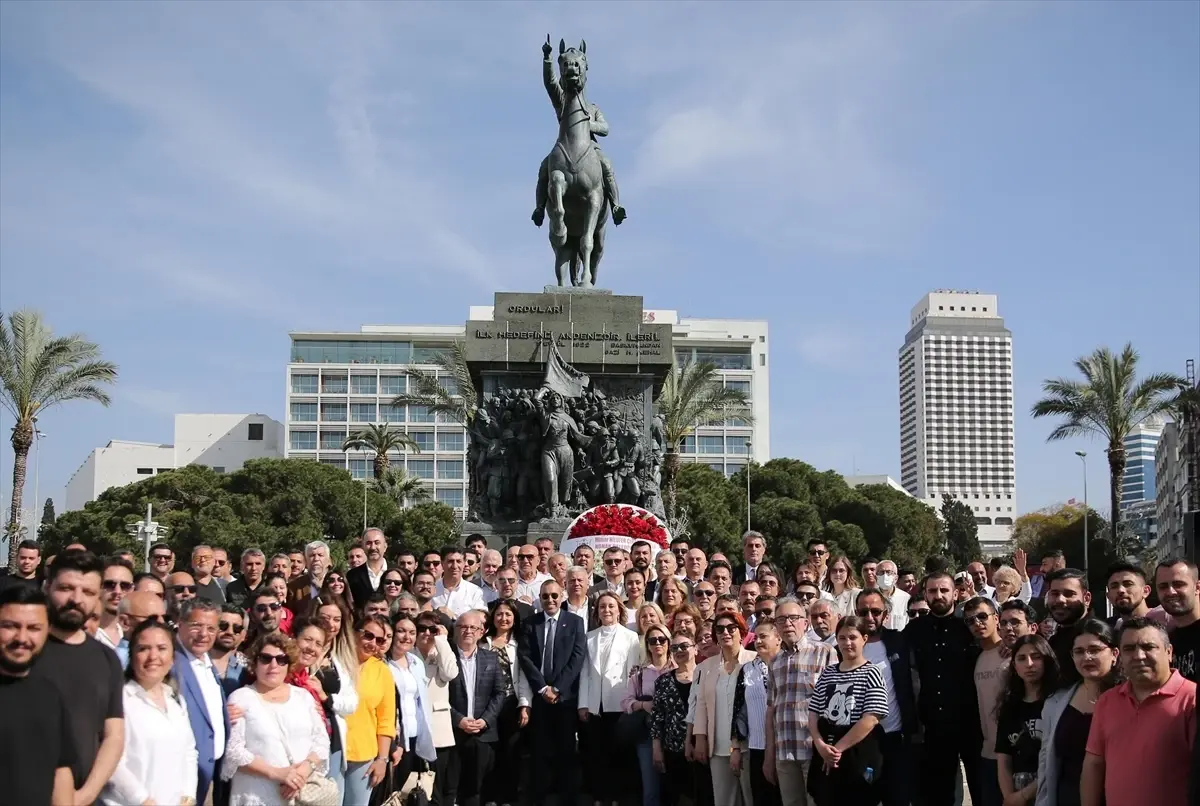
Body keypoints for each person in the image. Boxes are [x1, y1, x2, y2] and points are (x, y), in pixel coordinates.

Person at [30, 549, 125, 806]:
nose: (76, 599)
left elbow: (113, 736)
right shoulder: (23, 651)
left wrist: (84, 796)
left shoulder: (107, 659)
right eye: (66, 588)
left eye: (88, 592)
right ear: (47, 586)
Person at [1082, 617, 1197, 806]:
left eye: (1148, 647)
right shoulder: (1107, 701)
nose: (1138, 656)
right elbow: (1093, 765)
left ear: (1169, 653)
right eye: (1129, 649)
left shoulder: (1191, 699)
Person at [222, 633, 330, 805]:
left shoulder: (304, 697)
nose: (273, 665)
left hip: (299, 794)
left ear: (289, 664)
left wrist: (302, 772)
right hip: (256, 796)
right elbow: (234, 751)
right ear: (254, 663)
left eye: (281, 660)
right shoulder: (240, 698)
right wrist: (277, 773)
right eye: (266, 658)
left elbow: (321, 741)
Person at [102, 619, 199, 806]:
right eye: (143, 648)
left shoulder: (176, 701)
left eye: (161, 648)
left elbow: (189, 752)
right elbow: (111, 761)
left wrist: (188, 796)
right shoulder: (120, 700)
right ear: (132, 656)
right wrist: (142, 800)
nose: (153, 656)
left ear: (172, 658)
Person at [907, 570, 982, 806]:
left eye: (944, 590)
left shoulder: (969, 629)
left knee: (982, 791)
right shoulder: (914, 631)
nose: (938, 595)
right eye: (932, 591)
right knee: (940, 795)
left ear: (956, 594)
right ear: (925, 594)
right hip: (934, 726)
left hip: (972, 724)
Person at [0, 585, 76, 806]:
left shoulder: (50, 694)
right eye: (10, 626)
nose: (22, 637)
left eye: (33, 628)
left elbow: (61, 769)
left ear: (47, 631)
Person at [1034, 618, 1120, 806]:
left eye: (1095, 650)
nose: (1086, 657)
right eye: (1079, 652)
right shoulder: (1055, 703)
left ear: (1114, 654)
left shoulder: (1130, 700)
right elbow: (1046, 762)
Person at [519, 579, 588, 806]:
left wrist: (557, 688)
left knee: (567, 751)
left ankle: (568, 798)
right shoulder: (531, 623)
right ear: (540, 597)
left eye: (554, 596)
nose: (550, 600)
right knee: (539, 751)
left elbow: (577, 658)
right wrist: (542, 688)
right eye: (545, 596)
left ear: (562, 596)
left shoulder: (575, 622)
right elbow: (526, 657)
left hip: (565, 698)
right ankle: (538, 797)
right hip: (540, 698)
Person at [808, 616, 890, 806]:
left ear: (864, 638)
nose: (847, 643)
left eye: (853, 637)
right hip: (826, 745)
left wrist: (838, 750)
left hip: (857, 748)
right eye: (842, 638)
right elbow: (813, 713)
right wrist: (820, 745)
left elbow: (871, 718)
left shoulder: (872, 672)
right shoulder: (828, 673)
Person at [764, 596, 837, 806]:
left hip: (814, 750)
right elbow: (771, 710)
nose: (787, 623)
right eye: (781, 619)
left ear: (805, 622)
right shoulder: (775, 662)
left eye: (793, 618)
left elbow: (835, 705)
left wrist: (829, 746)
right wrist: (770, 754)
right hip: (784, 750)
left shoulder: (824, 652)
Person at [579, 591, 642, 806]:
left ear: (619, 610)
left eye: (611, 606)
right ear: (597, 612)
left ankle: (617, 797)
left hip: (619, 702)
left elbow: (632, 673)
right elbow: (585, 672)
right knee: (598, 753)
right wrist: (583, 703)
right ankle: (600, 796)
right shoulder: (590, 637)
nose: (607, 610)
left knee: (618, 752)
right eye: (602, 607)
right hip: (596, 703)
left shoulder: (630, 636)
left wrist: (629, 702)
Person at [856, 588, 917, 806]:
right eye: (863, 612)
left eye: (875, 611)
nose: (870, 617)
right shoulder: (845, 646)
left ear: (886, 614)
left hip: (895, 737)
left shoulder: (899, 640)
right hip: (860, 740)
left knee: (898, 798)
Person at [693, 611, 756, 806]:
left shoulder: (755, 660)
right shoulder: (705, 667)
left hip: (750, 744)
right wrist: (700, 738)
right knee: (724, 801)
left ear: (742, 631)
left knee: (752, 798)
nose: (725, 633)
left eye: (731, 628)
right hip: (718, 745)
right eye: (719, 629)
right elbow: (701, 704)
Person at [291, 619, 358, 800]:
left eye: (318, 643)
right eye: (307, 639)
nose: (312, 647)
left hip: (311, 765)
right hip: (287, 770)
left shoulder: (309, 681)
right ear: (293, 639)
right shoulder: (280, 677)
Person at [446, 609, 508, 806]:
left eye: (473, 627)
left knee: (475, 791)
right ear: (455, 630)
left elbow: (500, 692)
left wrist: (485, 720)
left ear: (482, 632)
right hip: (453, 733)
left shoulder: (490, 658)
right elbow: (437, 697)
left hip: (483, 734)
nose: (468, 631)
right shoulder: (446, 657)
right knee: (450, 789)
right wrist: (459, 720)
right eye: (463, 626)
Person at [174, 598, 230, 804]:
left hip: (210, 774)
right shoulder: (169, 664)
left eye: (211, 628)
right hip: (181, 779)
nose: (204, 634)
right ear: (180, 624)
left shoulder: (206, 661)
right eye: (196, 626)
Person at [994, 635, 1059, 806]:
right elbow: (1003, 759)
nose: (1029, 664)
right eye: (1021, 658)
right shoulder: (1009, 706)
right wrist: (1010, 797)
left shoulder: (1059, 703)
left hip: (1052, 789)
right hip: (1017, 791)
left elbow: (1058, 760)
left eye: (1036, 657)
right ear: (1014, 666)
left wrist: (1024, 795)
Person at [482, 599, 532, 806]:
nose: (503, 618)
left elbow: (524, 676)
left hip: (511, 704)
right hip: (486, 706)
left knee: (511, 753)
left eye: (508, 614)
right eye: (499, 614)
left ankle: (509, 798)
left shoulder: (520, 643)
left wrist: (524, 705)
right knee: (490, 753)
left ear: (514, 618)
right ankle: (490, 797)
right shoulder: (483, 642)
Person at [344, 614, 397, 806]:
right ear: (354, 633)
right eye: (368, 635)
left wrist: (382, 759)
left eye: (380, 640)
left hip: (362, 755)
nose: (373, 643)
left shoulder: (382, 671)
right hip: (332, 751)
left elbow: (386, 720)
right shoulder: (336, 661)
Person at [385, 615, 438, 802]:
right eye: (401, 631)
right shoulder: (383, 664)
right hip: (394, 739)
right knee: (389, 794)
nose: (407, 637)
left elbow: (420, 702)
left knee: (409, 795)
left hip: (416, 737)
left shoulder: (416, 662)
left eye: (412, 632)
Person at [733, 619, 783, 806]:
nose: (758, 641)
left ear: (778, 638)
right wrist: (736, 747)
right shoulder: (747, 669)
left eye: (764, 636)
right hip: (757, 747)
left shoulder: (787, 665)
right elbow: (738, 712)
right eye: (756, 638)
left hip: (785, 746)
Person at [625, 622, 674, 806]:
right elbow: (626, 702)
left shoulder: (679, 669)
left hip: (674, 734)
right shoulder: (639, 673)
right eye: (653, 640)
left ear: (669, 642)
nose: (658, 644)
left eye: (662, 639)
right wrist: (643, 704)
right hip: (647, 735)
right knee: (651, 789)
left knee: (674, 787)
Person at [965, 596, 1008, 806]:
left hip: (1014, 753)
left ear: (996, 618)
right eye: (970, 620)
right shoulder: (977, 658)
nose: (977, 623)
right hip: (987, 753)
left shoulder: (1013, 652)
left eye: (982, 616)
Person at [415, 609, 460, 806]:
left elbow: (450, 673)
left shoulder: (442, 650)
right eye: (421, 628)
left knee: (438, 786)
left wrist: (442, 640)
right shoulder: (408, 654)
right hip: (414, 727)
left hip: (438, 728)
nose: (426, 633)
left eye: (431, 629)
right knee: (414, 784)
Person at [651, 630, 699, 804]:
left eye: (684, 646)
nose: (679, 650)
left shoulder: (706, 676)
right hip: (672, 749)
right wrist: (656, 749)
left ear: (696, 649)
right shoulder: (663, 681)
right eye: (675, 647)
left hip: (702, 747)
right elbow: (657, 717)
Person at [1157, 559, 1200, 683]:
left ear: (1197, 587)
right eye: (1163, 586)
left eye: (1178, 584)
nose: (1170, 592)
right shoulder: (1166, 640)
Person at [433, 546, 487, 618]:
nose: (455, 566)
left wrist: (454, 617)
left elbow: (481, 620)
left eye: (458, 561)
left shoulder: (475, 592)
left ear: (464, 563)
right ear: (442, 563)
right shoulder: (431, 589)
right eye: (450, 561)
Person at [95, 556, 134, 652]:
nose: (117, 591)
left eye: (124, 586)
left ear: (132, 589)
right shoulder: (83, 633)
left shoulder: (134, 633)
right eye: (109, 585)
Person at [286, 539, 331, 616]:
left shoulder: (338, 583)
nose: (316, 559)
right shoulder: (293, 587)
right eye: (312, 556)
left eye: (320, 555)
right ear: (306, 561)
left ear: (328, 560)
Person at [348, 528, 390, 606]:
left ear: (385, 546)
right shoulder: (352, 576)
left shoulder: (397, 573)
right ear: (363, 547)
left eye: (377, 543)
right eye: (368, 543)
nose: (373, 547)